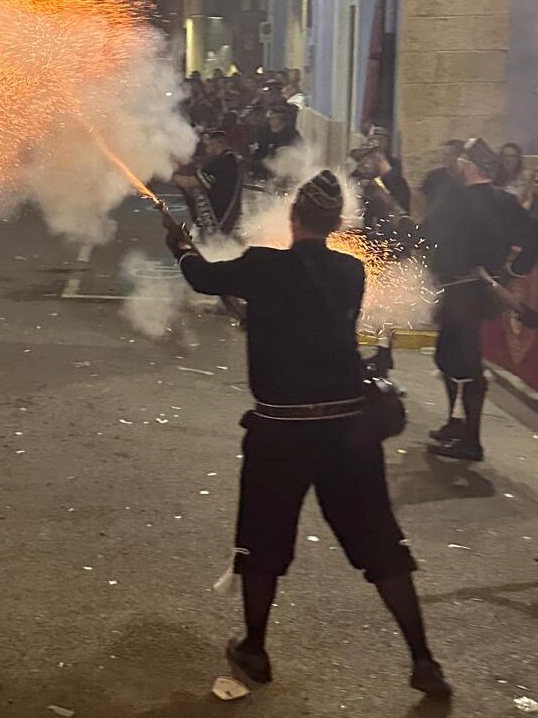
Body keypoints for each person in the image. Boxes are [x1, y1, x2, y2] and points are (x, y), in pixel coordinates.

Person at [162, 171, 451, 700]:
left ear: (293, 218)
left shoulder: (263, 265)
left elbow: (201, 277)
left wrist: (180, 246)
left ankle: (255, 649)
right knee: (381, 547)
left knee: (262, 543)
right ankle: (423, 660)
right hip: (346, 429)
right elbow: (310, 323)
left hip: (282, 431)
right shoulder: (350, 271)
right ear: (336, 223)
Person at [421, 138, 538, 461]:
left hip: (462, 293)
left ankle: (470, 439)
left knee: (463, 363)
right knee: (452, 359)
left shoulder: (456, 200)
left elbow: (429, 235)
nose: (457, 165)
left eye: (461, 161)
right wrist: (512, 271)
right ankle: (457, 424)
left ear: (469, 165)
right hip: (479, 294)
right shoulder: (505, 201)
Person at [173, 129, 244, 237]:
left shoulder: (223, 162)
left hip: (219, 216)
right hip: (230, 214)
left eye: (209, 145)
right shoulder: (232, 159)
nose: (207, 149)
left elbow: (189, 182)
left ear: (217, 144)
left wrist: (169, 174)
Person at [248, 106, 301, 181]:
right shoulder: (264, 133)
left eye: (275, 118)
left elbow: (299, 153)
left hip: (286, 172)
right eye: (270, 118)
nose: (271, 121)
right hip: (264, 171)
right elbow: (258, 152)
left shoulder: (292, 135)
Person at [419, 139, 463, 220]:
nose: (444, 157)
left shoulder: (465, 178)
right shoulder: (435, 175)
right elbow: (420, 195)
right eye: (444, 154)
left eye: (448, 155)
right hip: (436, 221)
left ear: (458, 157)